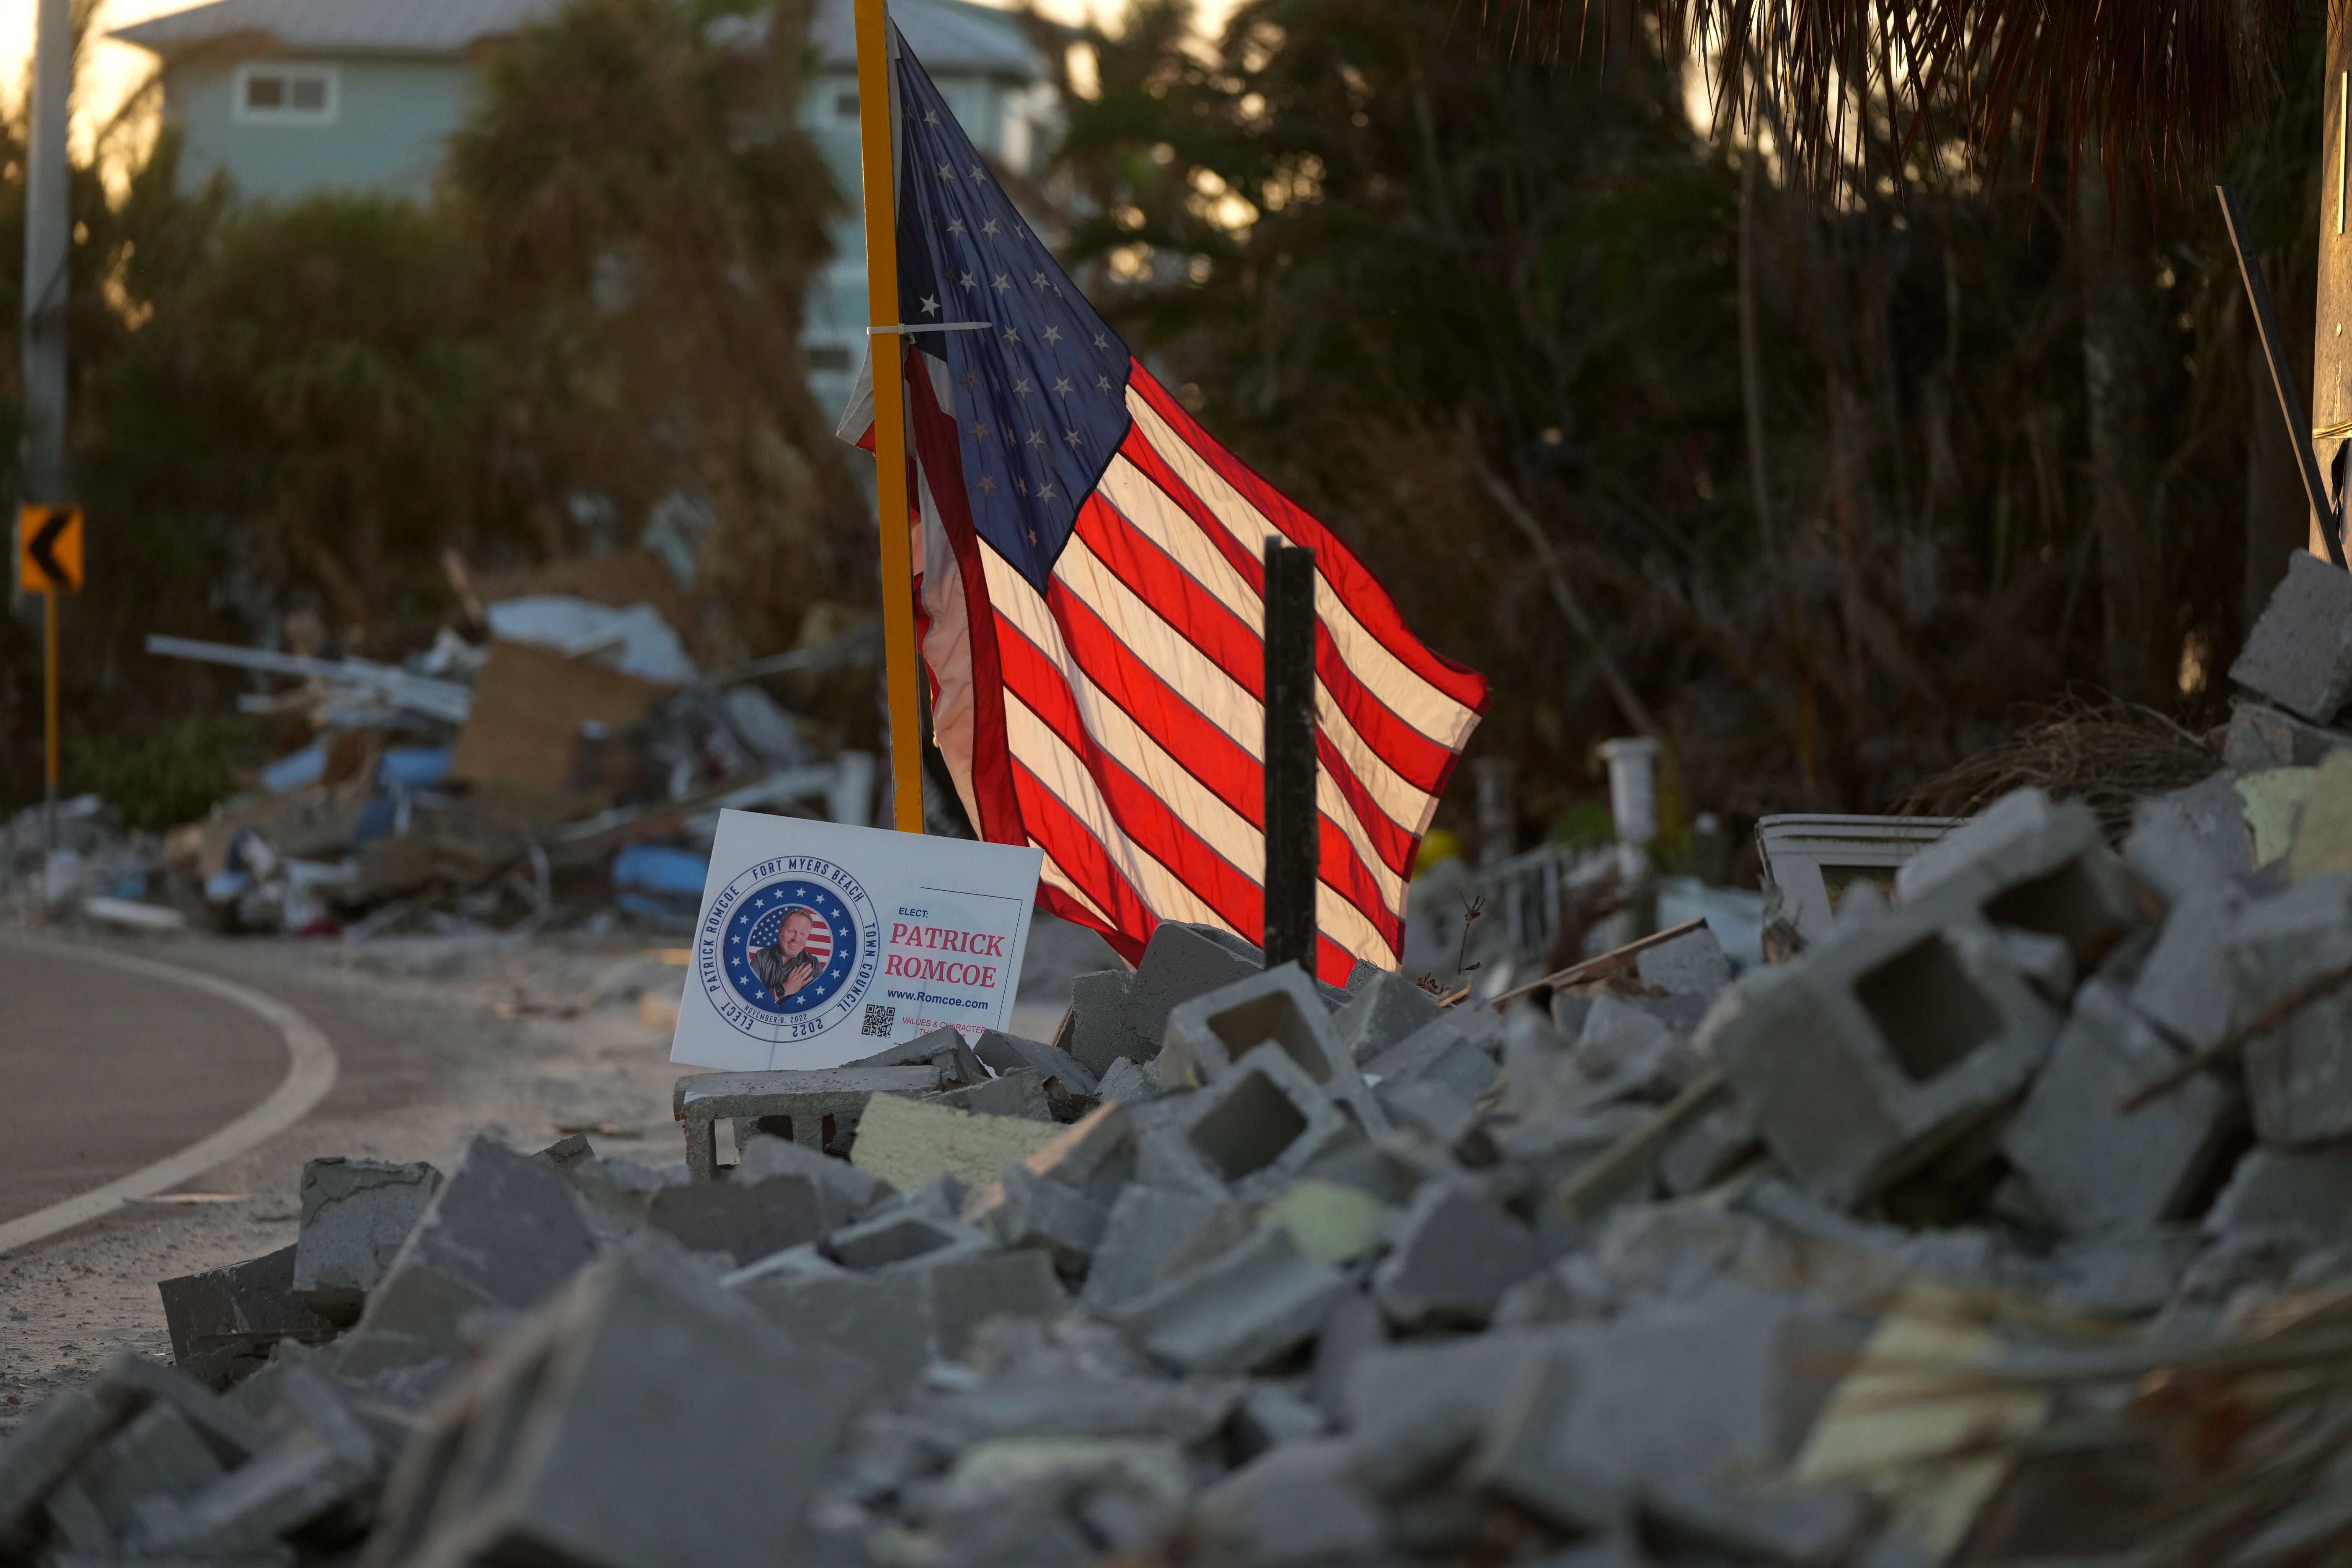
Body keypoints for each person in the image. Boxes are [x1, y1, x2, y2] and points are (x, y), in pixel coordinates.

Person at [748, 907, 824, 1000]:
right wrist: (786, 989)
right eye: (791, 931)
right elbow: (750, 998)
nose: (796, 939)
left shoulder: (814, 967)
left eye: (803, 934)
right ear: (780, 932)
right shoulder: (761, 957)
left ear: (808, 937)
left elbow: (816, 1005)